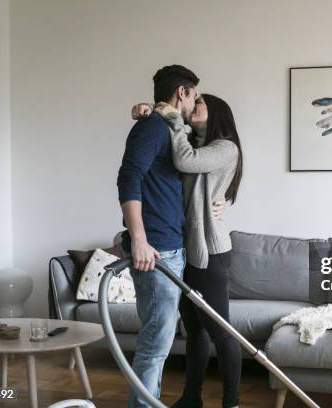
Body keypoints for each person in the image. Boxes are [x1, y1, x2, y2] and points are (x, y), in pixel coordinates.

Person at [131, 93, 244, 408]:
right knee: (194, 330)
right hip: (183, 248)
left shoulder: (225, 147)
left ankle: (232, 402)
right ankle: (191, 398)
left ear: (216, 114)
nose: (192, 108)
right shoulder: (188, 139)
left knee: (220, 331)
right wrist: (145, 110)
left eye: (200, 105)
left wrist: (173, 120)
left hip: (210, 251)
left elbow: (186, 161)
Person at [117, 64, 201, 408]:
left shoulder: (167, 127)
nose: (194, 104)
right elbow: (128, 178)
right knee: (155, 345)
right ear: (181, 92)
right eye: (193, 96)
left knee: (160, 344)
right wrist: (139, 238)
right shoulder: (151, 128)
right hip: (156, 249)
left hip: (170, 247)